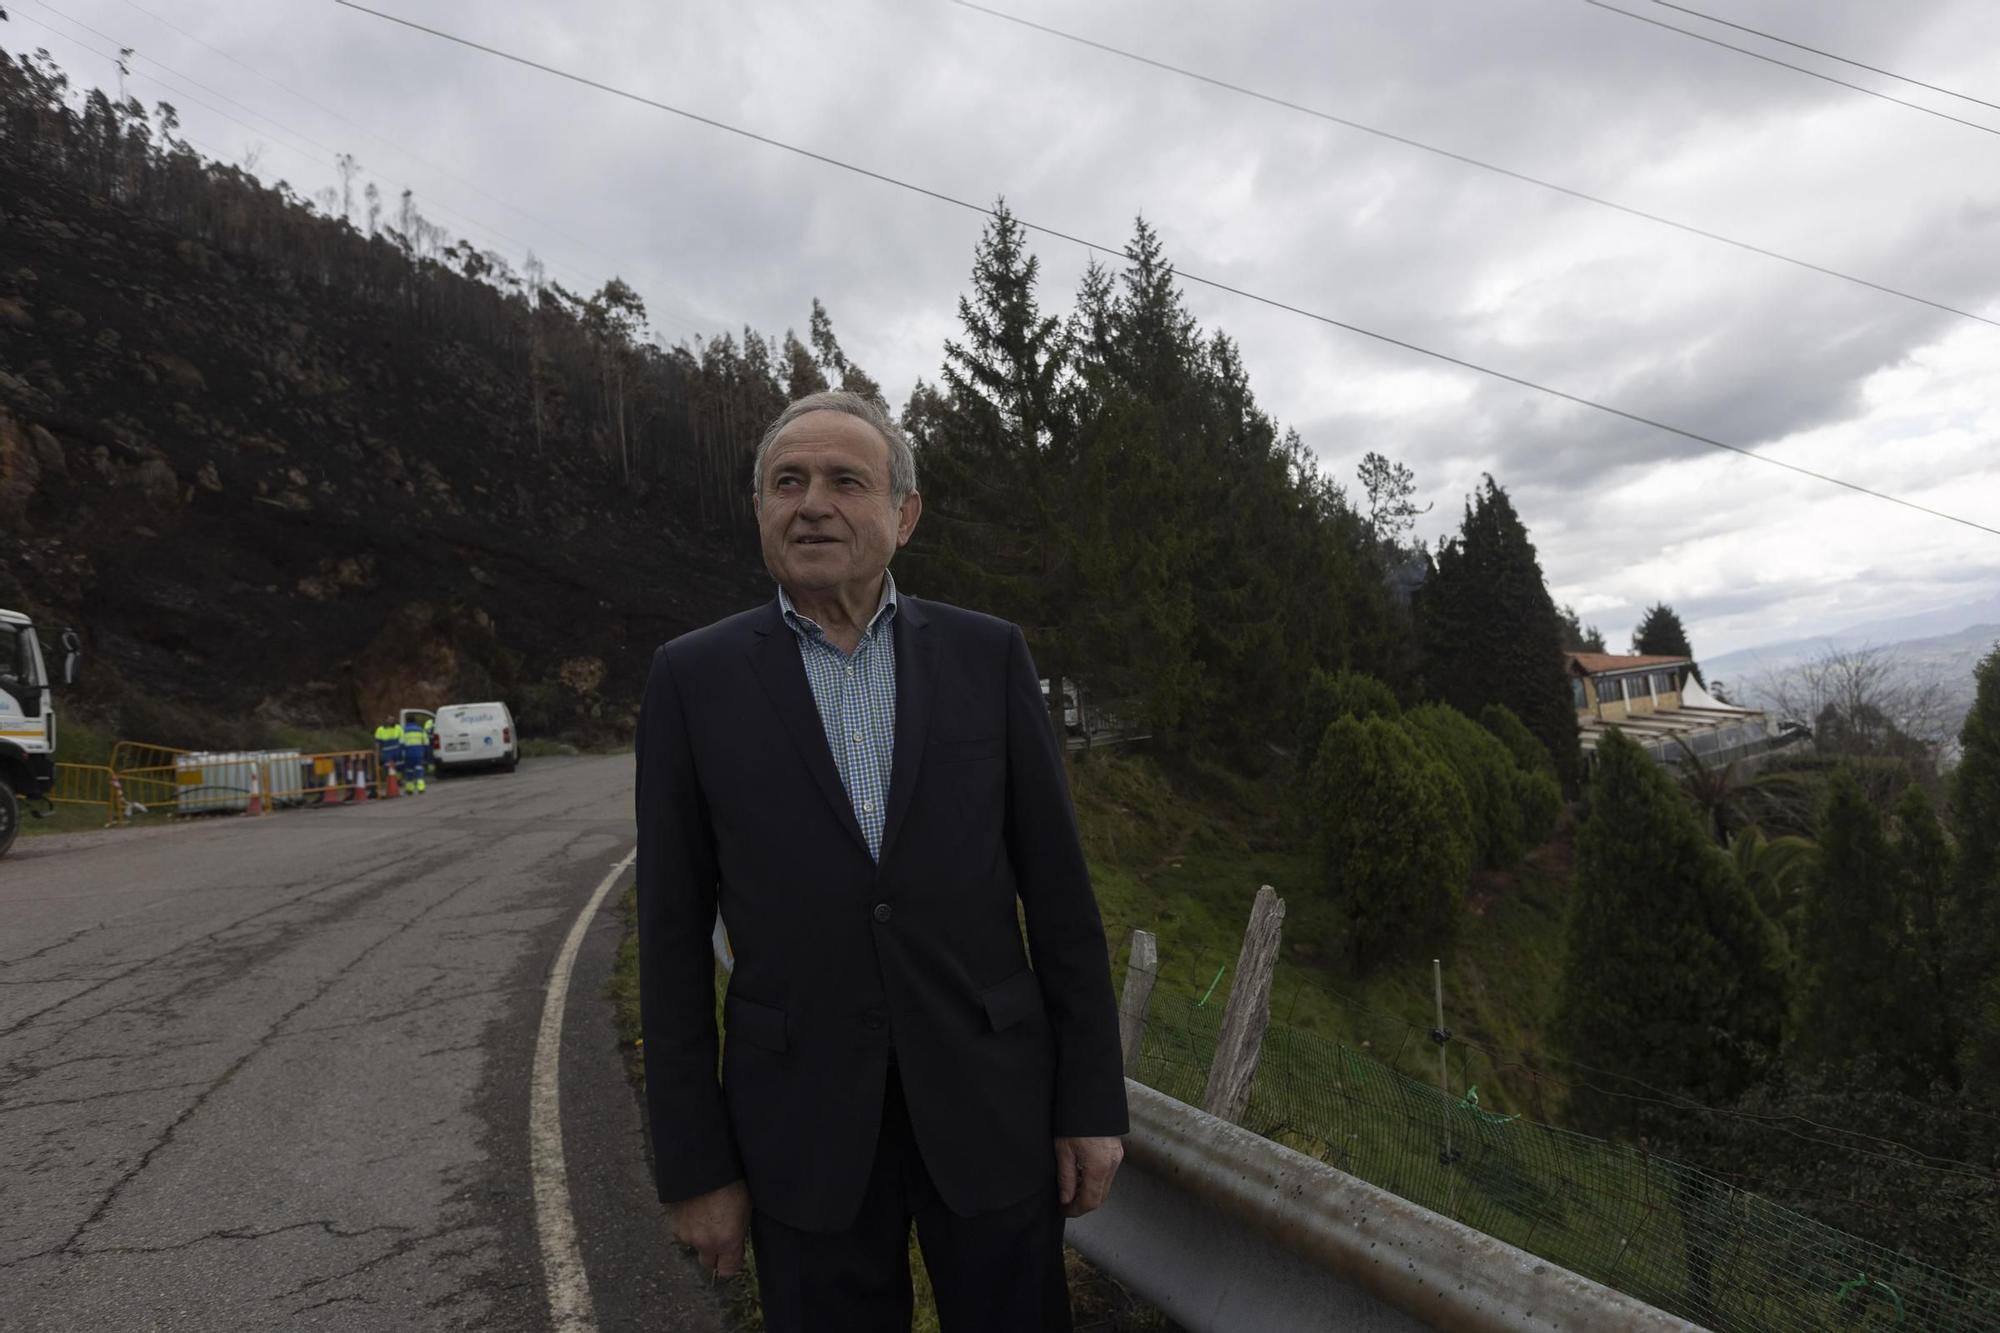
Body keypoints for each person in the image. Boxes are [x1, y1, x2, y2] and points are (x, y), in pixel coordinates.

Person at [635, 390, 1127, 1332]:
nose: (811, 502)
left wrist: (1090, 1103)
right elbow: (668, 940)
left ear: (904, 515)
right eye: (788, 482)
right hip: (801, 1133)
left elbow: (1063, 903)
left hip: (991, 1111)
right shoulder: (691, 680)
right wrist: (697, 1167)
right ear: (760, 511)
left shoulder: (989, 657)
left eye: (844, 480)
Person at [400, 713, 428, 794]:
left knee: (409, 771)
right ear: (415, 721)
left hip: (408, 754)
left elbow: (401, 743)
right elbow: (426, 742)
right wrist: (425, 753)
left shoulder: (404, 730)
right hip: (419, 753)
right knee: (419, 769)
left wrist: (402, 755)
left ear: (407, 721)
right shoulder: (420, 729)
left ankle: (410, 789)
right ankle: (421, 788)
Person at [374, 718, 402, 795]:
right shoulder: (380, 730)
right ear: (385, 721)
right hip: (386, 753)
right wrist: (378, 753)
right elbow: (377, 743)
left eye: (392, 719)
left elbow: (402, 739)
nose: (391, 721)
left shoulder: (398, 727)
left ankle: (398, 782)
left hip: (396, 752)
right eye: (389, 720)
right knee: (388, 769)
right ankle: (391, 785)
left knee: (398, 767)